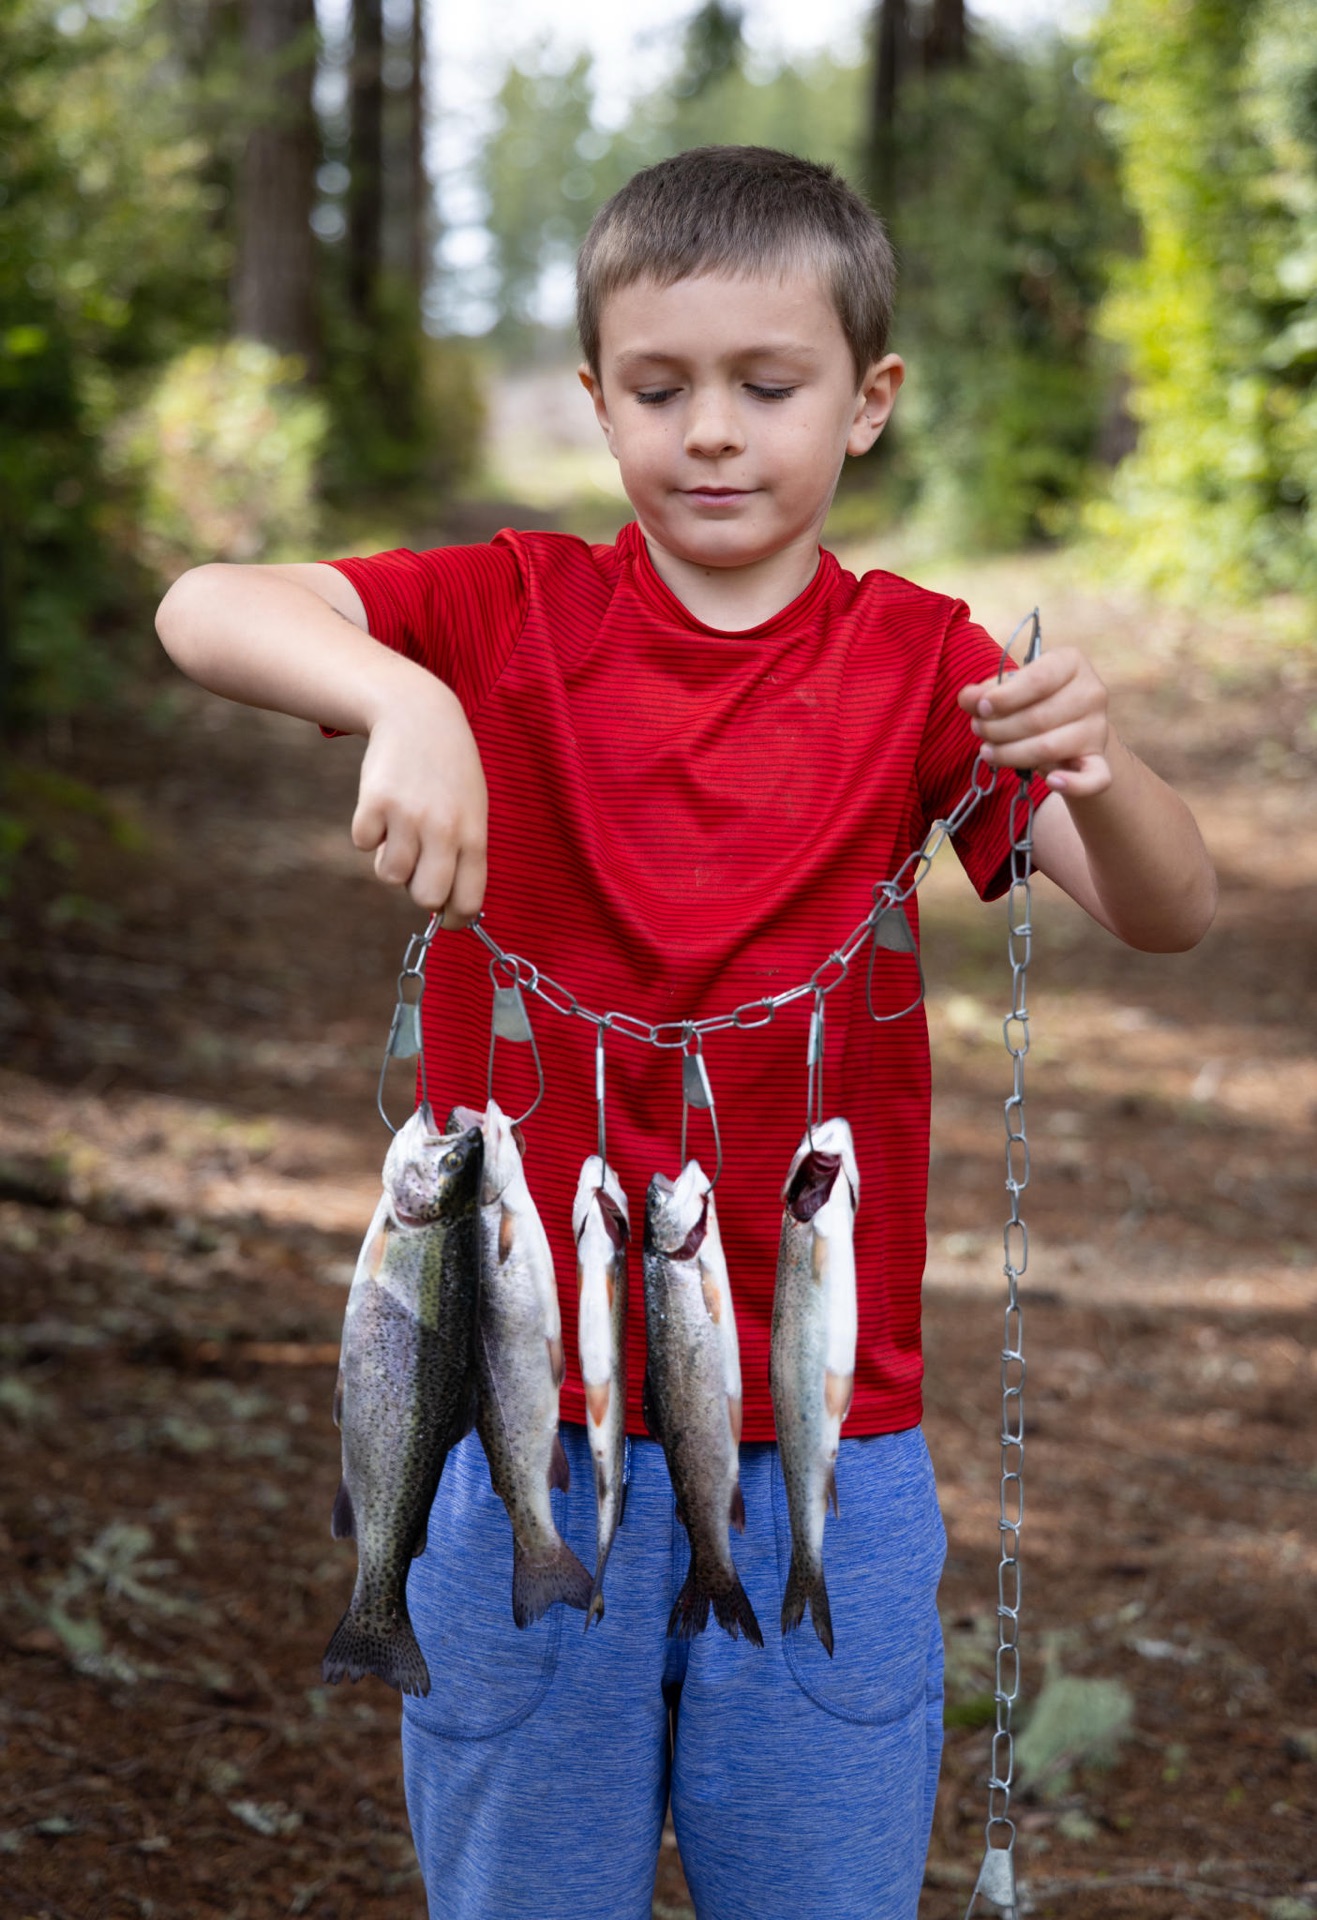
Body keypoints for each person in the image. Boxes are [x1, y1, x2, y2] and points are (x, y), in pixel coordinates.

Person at [156, 146, 1215, 1920]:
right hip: (517, 1420)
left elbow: (1164, 906)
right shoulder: (505, 613)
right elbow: (205, 605)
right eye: (658, 389)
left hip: (826, 1433)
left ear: (867, 401)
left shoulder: (922, 666)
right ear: (594, 400)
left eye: (766, 386)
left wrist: (1094, 770)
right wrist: (401, 698)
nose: (710, 432)